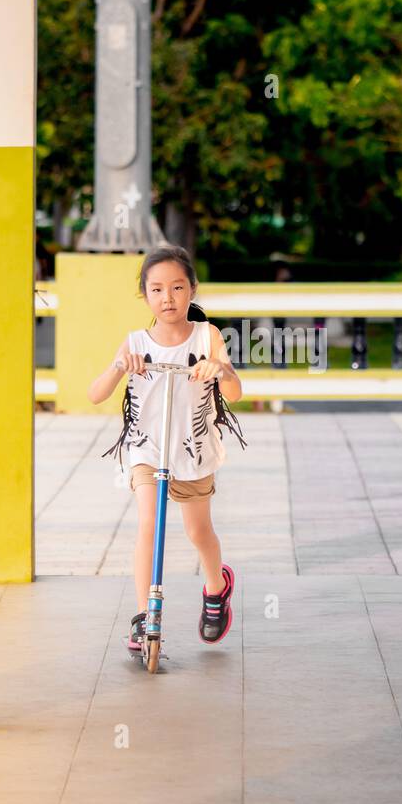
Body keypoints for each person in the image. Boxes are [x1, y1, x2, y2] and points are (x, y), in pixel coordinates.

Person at [87, 245, 247, 653]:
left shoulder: (206, 335)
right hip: (147, 448)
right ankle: (145, 615)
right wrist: (121, 366)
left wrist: (220, 368)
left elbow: (236, 392)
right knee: (147, 526)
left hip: (192, 449)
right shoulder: (136, 341)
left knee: (198, 531)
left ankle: (216, 588)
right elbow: (95, 394)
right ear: (145, 294)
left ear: (192, 289)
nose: (168, 297)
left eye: (177, 287)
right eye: (157, 289)